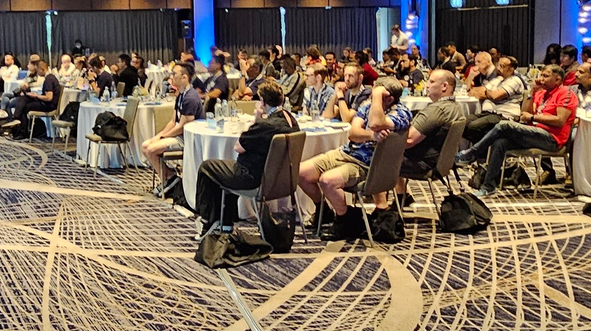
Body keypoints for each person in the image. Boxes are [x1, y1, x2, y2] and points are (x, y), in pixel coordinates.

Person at [300, 76, 411, 238]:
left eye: (377, 92)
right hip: (346, 153)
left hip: (366, 165)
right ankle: (324, 210)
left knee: (327, 181)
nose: (372, 94)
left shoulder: (401, 113)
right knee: (301, 173)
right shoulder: (367, 106)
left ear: (389, 98)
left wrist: (377, 98)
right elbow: (353, 133)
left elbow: (375, 123)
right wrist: (371, 136)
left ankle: (344, 220)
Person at [457, 63, 577, 195]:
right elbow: (524, 113)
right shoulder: (541, 93)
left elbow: (560, 121)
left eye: (546, 76)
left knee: (504, 125)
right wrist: (532, 93)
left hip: (552, 139)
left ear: (558, 79)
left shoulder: (565, 93)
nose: (541, 79)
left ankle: (472, 153)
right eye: (541, 75)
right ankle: (488, 186)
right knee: (500, 143)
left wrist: (533, 117)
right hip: (534, 133)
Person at [196, 80, 298, 227]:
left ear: (262, 101)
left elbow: (238, 147)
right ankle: (225, 221)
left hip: (253, 178)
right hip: (282, 179)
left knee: (207, 167)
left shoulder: (264, 126)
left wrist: (256, 120)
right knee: (225, 171)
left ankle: (207, 220)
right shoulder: (290, 120)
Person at [397, 68, 466, 207]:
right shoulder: (456, 107)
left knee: (375, 156)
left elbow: (408, 140)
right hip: (440, 162)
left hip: (423, 164)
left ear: (445, 86)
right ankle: (401, 195)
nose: (426, 85)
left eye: (431, 81)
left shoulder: (437, 110)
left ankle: (382, 209)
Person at [142, 61, 205, 191]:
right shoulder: (181, 95)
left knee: (151, 150)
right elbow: (173, 121)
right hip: (179, 135)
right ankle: (169, 178)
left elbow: (182, 127)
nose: (171, 77)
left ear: (184, 77)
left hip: (188, 139)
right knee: (145, 146)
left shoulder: (190, 98)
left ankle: (168, 179)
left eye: (174, 74)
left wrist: (162, 137)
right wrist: (159, 136)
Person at [464, 56, 526, 144]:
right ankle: (483, 146)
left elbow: (496, 96)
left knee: (473, 127)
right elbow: (474, 91)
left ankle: (482, 149)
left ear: (511, 69)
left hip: (504, 115)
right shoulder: (498, 79)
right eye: (498, 65)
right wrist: (472, 77)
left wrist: (486, 92)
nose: (498, 68)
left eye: (502, 66)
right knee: (462, 123)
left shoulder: (515, 80)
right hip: (489, 112)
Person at [0, 56, 60, 137]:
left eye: (38, 70)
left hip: (49, 105)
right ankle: (17, 120)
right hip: (46, 103)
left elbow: (49, 98)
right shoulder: (50, 77)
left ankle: (20, 126)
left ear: (42, 69)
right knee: (25, 98)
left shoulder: (49, 79)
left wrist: (36, 95)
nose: (37, 72)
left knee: (25, 107)